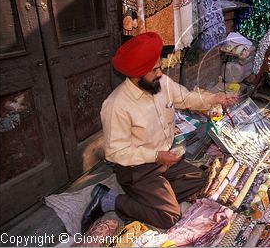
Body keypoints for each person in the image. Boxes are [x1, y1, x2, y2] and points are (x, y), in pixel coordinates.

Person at [80, 32, 238, 233]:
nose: (160, 73)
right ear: (137, 74)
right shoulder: (116, 105)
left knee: (202, 180)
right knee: (170, 217)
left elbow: (186, 98)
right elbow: (115, 153)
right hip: (137, 168)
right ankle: (109, 199)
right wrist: (155, 156)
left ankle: (156, 197)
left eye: (159, 67)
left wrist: (215, 99)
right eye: (154, 70)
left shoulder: (162, 84)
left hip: (165, 160)